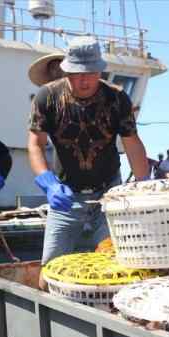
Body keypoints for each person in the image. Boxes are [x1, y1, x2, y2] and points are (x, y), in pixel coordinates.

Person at [27, 36, 150, 282]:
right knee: (49, 272)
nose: (84, 79)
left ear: (99, 70)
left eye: (91, 72)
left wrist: (144, 184)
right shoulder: (47, 97)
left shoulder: (117, 98)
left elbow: (132, 144)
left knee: (118, 267)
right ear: (67, 70)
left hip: (108, 196)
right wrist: (47, 181)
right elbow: (35, 144)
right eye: (77, 73)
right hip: (66, 198)